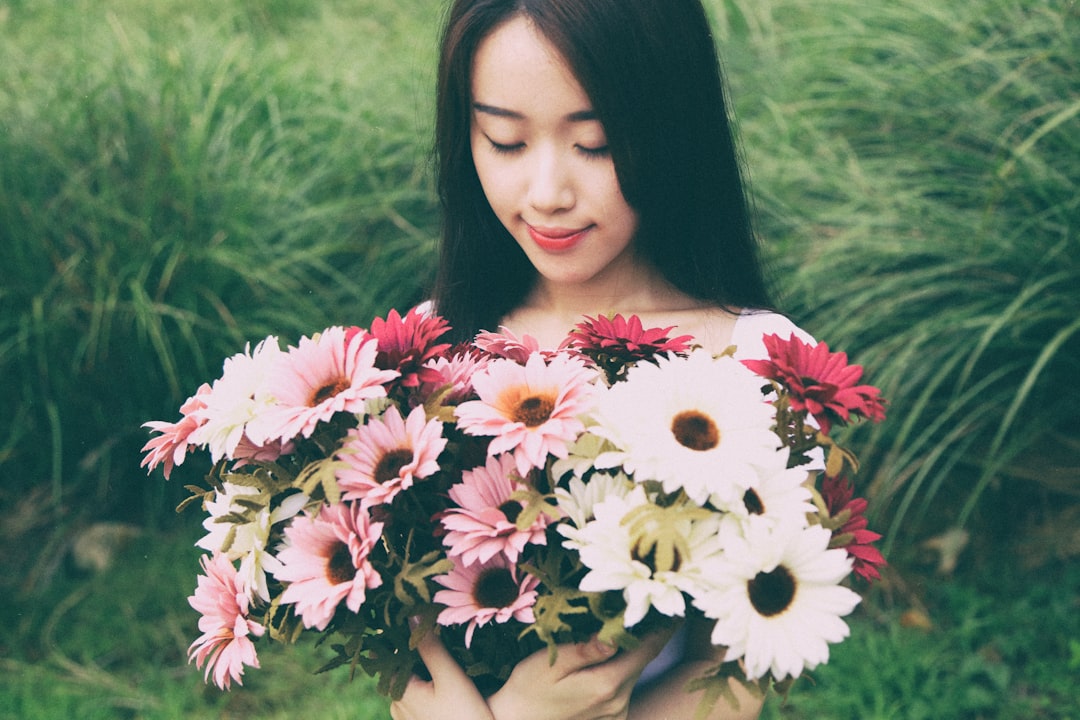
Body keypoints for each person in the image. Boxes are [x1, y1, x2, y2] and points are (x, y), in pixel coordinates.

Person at [392, 1, 812, 718]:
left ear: (676, 132)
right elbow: (393, 606)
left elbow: (743, 662)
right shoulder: (429, 346)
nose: (549, 194)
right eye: (505, 141)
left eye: (596, 144)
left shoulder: (758, 361)